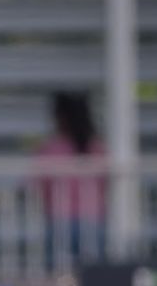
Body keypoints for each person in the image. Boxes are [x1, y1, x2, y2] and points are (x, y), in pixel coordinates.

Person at [37, 92, 106, 268]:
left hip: (60, 219)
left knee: (58, 275)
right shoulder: (96, 147)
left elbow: (42, 184)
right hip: (93, 219)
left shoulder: (51, 148)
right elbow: (104, 183)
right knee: (93, 273)